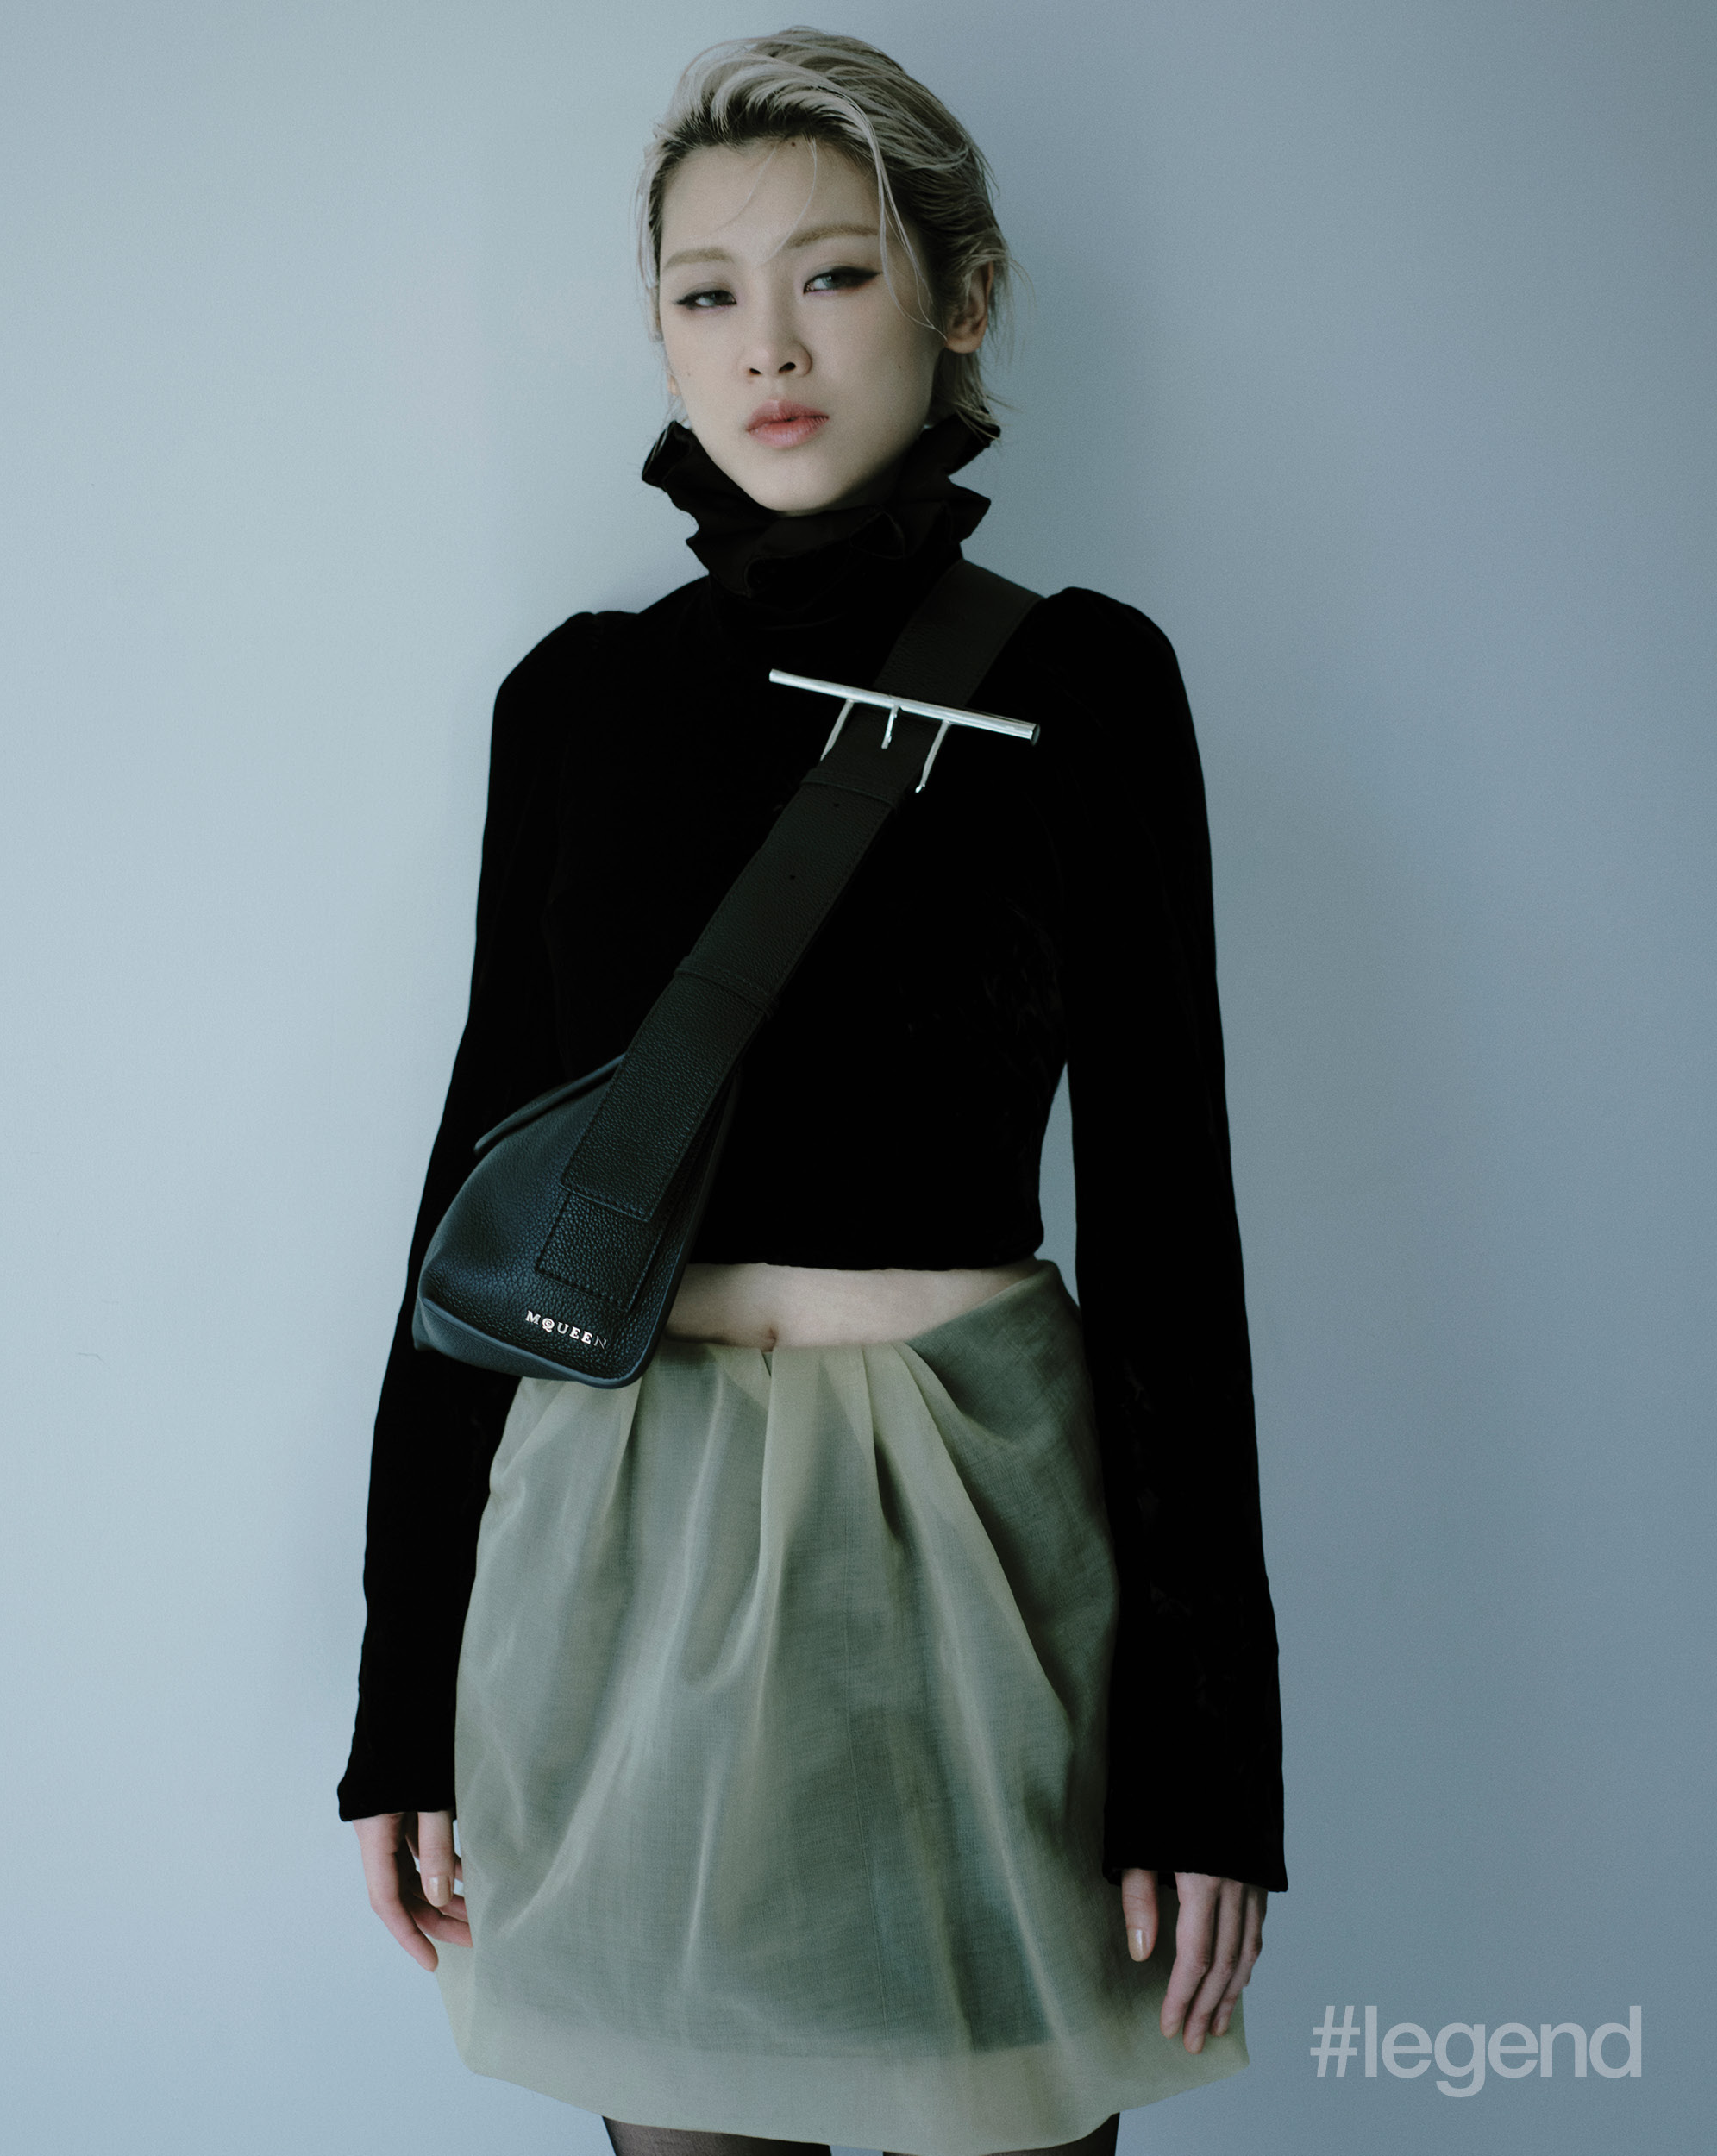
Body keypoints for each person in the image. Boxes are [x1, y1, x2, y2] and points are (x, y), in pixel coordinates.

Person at [340, 29, 1287, 2156]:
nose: (763, 344)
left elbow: (1170, 1219)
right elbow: (466, 1223)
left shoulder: (1082, 681)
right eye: (705, 290)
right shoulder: (576, 701)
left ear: (959, 299)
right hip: (619, 1538)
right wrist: (402, 1701)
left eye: (832, 274)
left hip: (979, 1528)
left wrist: (1211, 1761)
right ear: (660, 331)